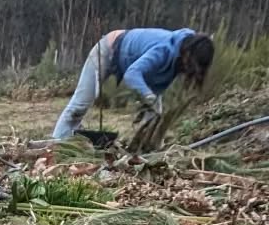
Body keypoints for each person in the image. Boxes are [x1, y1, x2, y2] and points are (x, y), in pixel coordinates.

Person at [52, 27, 214, 142]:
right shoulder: (164, 50)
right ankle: (54, 145)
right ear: (187, 54)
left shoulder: (182, 56)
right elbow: (132, 74)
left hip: (124, 56)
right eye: (191, 66)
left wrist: (153, 107)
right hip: (108, 49)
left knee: (154, 115)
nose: (188, 71)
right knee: (80, 105)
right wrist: (148, 96)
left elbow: (155, 93)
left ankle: (145, 148)